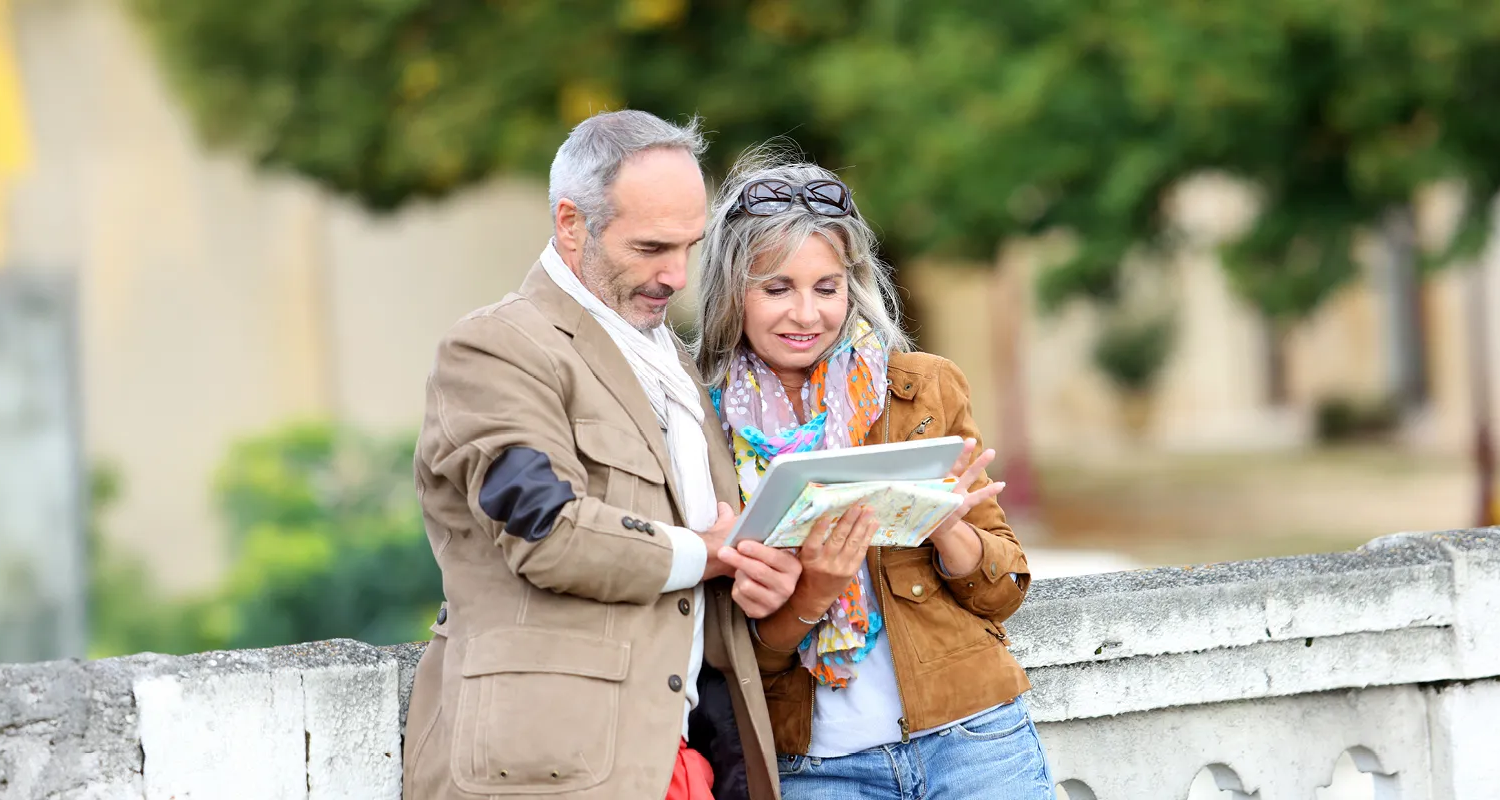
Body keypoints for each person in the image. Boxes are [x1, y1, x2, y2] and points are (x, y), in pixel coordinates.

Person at [400, 111, 806, 800]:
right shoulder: (496, 348)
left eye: (690, 247)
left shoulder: (672, 360)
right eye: (650, 247)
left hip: (690, 758)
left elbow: (705, 566)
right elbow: (546, 532)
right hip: (548, 769)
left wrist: (754, 576)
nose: (677, 275)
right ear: (571, 224)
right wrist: (709, 552)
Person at [691, 151, 1055, 799]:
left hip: (974, 739)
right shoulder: (698, 426)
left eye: (826, 288)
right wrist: (814, 593)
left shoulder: (922, 389)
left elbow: (1004, 593)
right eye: (777, 288)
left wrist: (946, 526)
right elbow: (737, 660)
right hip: (817, 768)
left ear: (851, 286)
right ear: (730, 292)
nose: (807, 314)